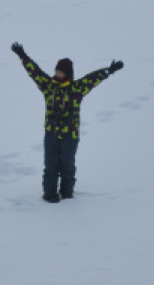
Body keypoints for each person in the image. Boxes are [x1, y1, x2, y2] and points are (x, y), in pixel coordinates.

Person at [10, 42, 123, 202]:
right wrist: (22, 55)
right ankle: (49, 194)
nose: (57, 73)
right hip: (51, 134)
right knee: (51, 166)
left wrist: (108, 71)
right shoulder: (48, 86)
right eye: (56, 70)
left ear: (68, 74)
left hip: (70, 136)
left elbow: (91, 79)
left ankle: (67, 194)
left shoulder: (76, 89)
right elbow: (34, 71)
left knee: (68, 167)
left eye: (60, 72)